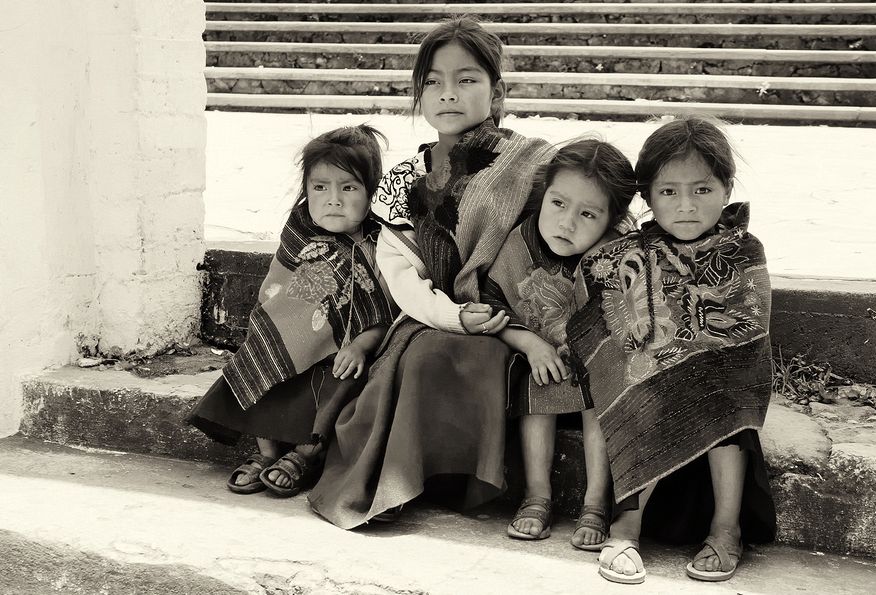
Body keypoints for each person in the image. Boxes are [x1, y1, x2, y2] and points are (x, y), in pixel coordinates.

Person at [307, 16, 555, 529]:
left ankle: (460, 482)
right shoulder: (406, 176)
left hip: (510, 315)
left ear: (497, 91)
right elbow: (400, 271)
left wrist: (505, 323)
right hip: (434, 312)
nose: (448, 94)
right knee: (424, 354)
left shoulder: (531, 164)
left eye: (467, 80)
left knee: (476, 356)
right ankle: (399, 482)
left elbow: (546, 246)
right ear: (418, 95)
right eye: (432, 83)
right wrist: (452, 314)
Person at [568, 116, 776, 584]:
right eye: (668, 192)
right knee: (645, 380)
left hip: (720, 405)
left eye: (702, 190)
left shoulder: (743, 250)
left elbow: (745, 338)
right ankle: (627, 525)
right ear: (646, 198)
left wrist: (689, 360)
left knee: (722, 385)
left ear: (726, 188)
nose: (686, 206)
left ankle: (726, 529)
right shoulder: (624, 255)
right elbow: (607, 330)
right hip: (650, 401)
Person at [185, 125, 396, 498]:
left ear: (371, 192)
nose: (334, 200)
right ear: (306, 191)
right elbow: (282, 300)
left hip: (348, 355)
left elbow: (386, 311)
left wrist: (360, 345)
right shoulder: (299, 234)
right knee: (267, 353)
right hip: (292, 345)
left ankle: (306, 453)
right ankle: (266, 452)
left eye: (348, 188)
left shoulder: (384, 244)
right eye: (320, 187)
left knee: (344, 377)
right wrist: (287, 334)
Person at [480, 139, 636, 550]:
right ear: (543, 195)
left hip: (598, 373)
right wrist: (531, 344)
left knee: (602, 385)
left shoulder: (619, 255)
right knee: (539, 379)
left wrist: (591, 352)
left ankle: (596, 502)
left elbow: (631, 321)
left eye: (588, 214)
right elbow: (493, 307)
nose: (567, 224)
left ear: (612, 220)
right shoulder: (519, 243)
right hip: (544, 364)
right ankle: (537, 495)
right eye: (558, 203)